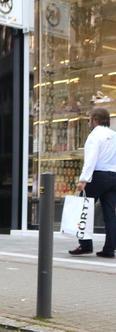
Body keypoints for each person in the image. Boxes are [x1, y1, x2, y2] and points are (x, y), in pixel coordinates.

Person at [69, 107, 116, 258]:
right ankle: (109, 249)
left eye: (89, 119)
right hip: (113, 177)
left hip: (97, 177)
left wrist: (83, 180)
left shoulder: (94, 136)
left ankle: (85, 245)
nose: (88, 122)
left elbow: (91, 160)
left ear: (94, 120)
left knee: (84, 211)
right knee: (110, 214)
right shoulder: (114, 135)